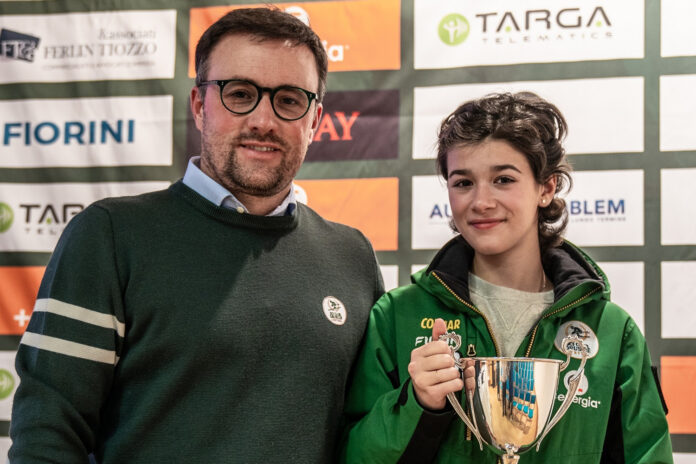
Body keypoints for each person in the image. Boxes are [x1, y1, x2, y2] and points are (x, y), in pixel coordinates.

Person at [9, 8, 384, 463]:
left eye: (289, 100)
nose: (263, 120)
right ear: (200, 105)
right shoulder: (110, 235)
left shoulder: (352, 257)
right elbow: (48, 435)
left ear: (315, 121)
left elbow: (373, 434)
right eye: (240, 94)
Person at [340, 92, 673, 463]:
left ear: (546, 188)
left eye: (503, 179)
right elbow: (354, 456)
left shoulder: (610, 331)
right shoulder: (396, 316)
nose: (481, 202)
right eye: (463, 183)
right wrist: (417, 404)